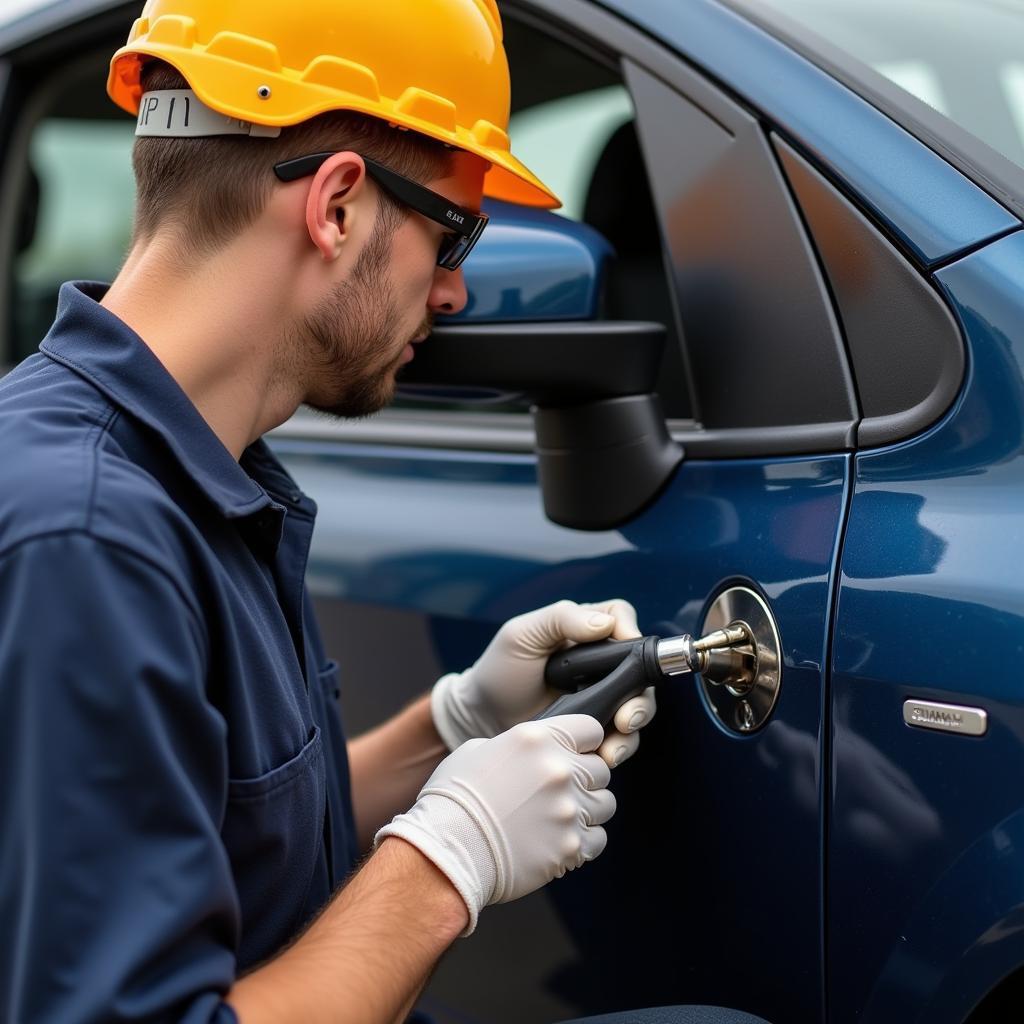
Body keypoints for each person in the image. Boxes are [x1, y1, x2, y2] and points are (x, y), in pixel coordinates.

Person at [0, 2, 659, 1021]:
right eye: (455, 235)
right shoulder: (86, 539)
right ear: (339, 206)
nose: (450, 295)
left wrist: (452, 724)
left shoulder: (199, 474)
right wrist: (449, 861)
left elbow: (226, 831)